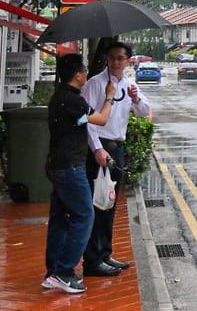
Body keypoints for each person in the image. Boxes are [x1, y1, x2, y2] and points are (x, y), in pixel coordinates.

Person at [44, 54, 115, 294]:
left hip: (58, 165)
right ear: (77, 75)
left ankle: (53, 271)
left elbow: (84, 122)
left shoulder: (59, 97)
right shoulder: (72, 99)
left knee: (60, 219)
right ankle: (64, 272)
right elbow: (103, 119)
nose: (86, 74)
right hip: (69, 168)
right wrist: (109, 97)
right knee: (84, 216)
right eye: (84, 70)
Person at [81, 41, 152, 277]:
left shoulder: (129, 84)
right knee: (96, 203)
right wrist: (97, 149)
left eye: (120, 58)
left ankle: (105, 254)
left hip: (117, 149)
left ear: (128, 60)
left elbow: (144, 112)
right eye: (111, 58)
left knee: (110, 203)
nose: (115, 62)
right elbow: (87, 120)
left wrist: (136, 99)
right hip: (101, 150)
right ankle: (92, 259)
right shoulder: (95, 84)